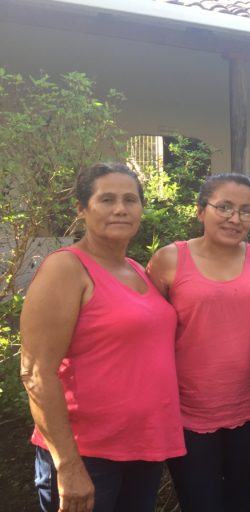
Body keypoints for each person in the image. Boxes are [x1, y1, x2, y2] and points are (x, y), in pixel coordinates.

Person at [20, 162, 185, 512]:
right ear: (82, 209)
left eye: (130, 199)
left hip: (142, 449)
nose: (121, 208)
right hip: (87, 454)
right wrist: (67, 465)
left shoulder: (138, 269)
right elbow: (36, 373)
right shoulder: (66, 268)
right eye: (106, 199)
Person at [146, 173, 250, 512]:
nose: (235, 218)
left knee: (238, 499)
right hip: (187, 410)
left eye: (246, 210)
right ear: (201, 211)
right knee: (199, 502)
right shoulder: (169, 260)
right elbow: (146, 334)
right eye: (225, 207)